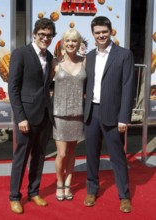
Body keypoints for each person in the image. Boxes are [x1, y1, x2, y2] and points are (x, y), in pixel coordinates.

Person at [83, 16, 135, 213]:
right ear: (93, 34)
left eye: (104, 32)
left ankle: (124, 195)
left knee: (118, 157)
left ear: (111, 31)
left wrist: (124, 117)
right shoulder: (89, 56)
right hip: (91, 112)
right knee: (91, 155)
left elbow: (128, 87)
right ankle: (91, 189)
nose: (101, 35)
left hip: (114, 115)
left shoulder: (124, 55)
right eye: (97, 32)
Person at [8, 18, 56, 214]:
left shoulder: (50, 56)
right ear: (34, 35)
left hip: (44, 114)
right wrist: (20, 117)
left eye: (49, 35)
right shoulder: (21, 54)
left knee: (39, 156)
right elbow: (13, 88)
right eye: (42, 35)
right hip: (26, 117)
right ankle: (14, 197)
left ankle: (34, 191)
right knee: (21, 157)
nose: (45, 38)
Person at [51, 28, 86, 201]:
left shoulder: (85, 62)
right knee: (62, 154)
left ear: (79, 44)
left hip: (78, 115)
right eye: (68, 41)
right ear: (63, 43)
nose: (71, 44)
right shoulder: (55, 63)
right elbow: (43, 85)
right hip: (59, 115)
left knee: (72, 153)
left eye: (74, 41)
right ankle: (59, 182)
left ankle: (68, 183)